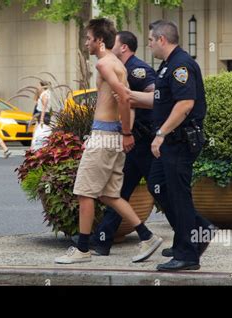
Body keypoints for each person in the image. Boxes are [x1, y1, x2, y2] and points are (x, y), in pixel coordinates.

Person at [55, 18, 163, 264]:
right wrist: (124, 131)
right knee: (109, 194)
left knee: (85, 192)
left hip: (105, 137)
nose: (86, 43)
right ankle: (147, 237)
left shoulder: (104, 64)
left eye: (88, 38)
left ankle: (82, 250)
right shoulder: (118, 64)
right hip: (111, 135)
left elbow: (124, 97)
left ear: (99, 41)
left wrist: (126, 133)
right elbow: (128, 102)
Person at [127, 20, 215, 271]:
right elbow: (161, 101)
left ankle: (188, 255)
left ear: (162, 40)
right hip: (169, 142)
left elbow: (185, 104)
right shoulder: (167, 66)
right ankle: (196, 232)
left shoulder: (181, 65)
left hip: (179, 141)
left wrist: (161, 133)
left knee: (179, 196)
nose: (149, 44)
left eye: (151, 40)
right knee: (158, 186)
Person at [87, 30, 158, 256]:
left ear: (124, 47)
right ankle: (103, 240)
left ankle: (186, 237)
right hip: (128, 139)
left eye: (114, 42)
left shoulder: (137, 68)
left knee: (161, 190)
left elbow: (156, 96)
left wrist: (130, 104)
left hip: (142, 140)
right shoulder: (117, 66)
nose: (110, 45)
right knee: (117, 191)